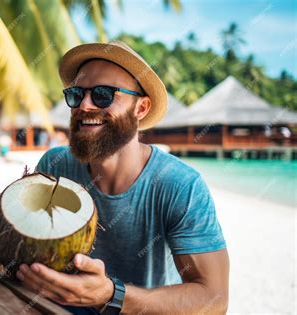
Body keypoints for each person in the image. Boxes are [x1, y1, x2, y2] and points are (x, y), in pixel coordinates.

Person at [16, 41, 229, 314]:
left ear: (140, 108)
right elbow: (26, 248)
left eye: (103, 95)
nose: (85, 105)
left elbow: (215, 299)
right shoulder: (56, 166)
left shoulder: (180, 186)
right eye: (76, 94)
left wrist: (111, 295)